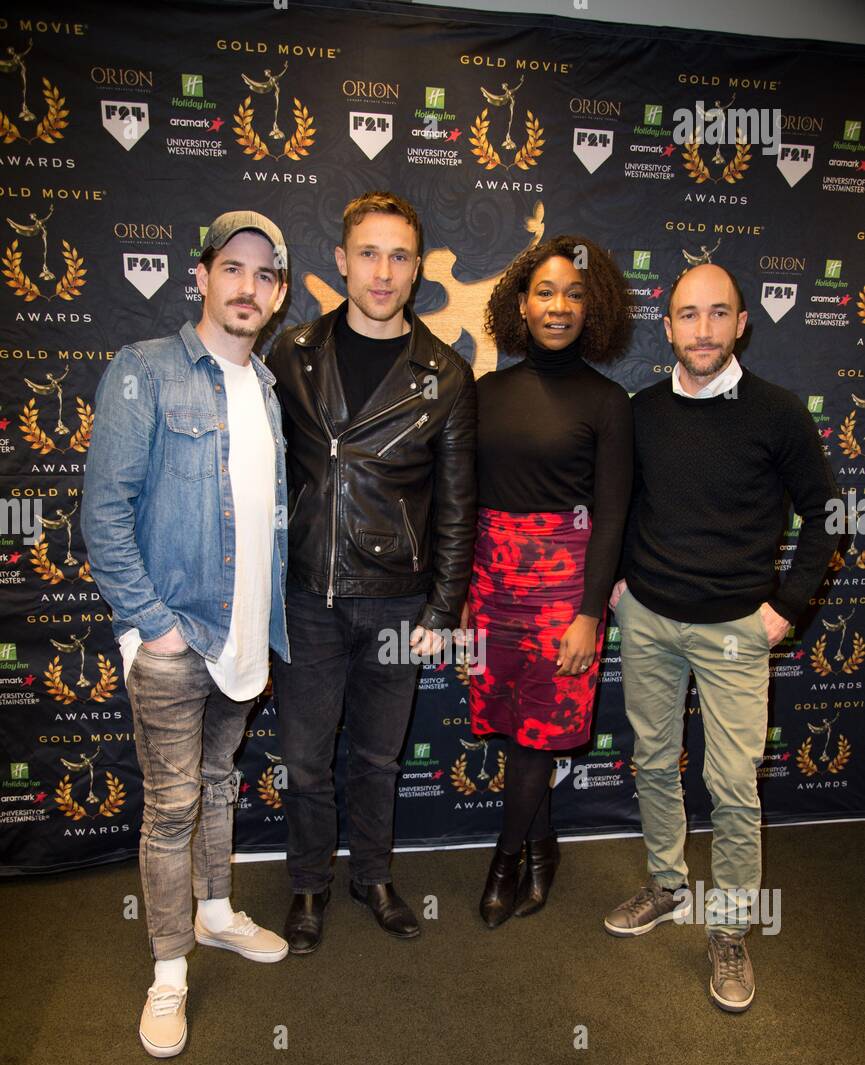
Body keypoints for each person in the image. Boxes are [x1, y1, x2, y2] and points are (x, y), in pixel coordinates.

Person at [81, 211, 291, 1058]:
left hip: (243, 641)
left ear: (276, 295)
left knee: (217, 784)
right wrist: (154, 627)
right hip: (176, 640)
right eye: (232, 268)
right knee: (170, 808)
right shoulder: (146, 370)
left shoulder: (268, 389)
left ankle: (214, 914)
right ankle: (168, 975)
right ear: (200, 277)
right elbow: (104, 512)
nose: (247, 286)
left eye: (265, 274)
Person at [605, 261, 837, 1012]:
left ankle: (730, 926)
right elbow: (614, 505)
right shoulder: (638, 412)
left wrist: (788, 608)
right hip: (647, 618)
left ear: (740, 323)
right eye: (685, 315)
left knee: (733, 786)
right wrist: (614, 582)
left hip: (738, 628)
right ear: (666, 325)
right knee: (651, 760)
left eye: (716, 314)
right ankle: (666, 886)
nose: (700, 330)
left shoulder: (775, 413)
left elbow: (826, 517)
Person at [268, 191, 476, 954]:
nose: (382, 272)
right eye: (368, 253)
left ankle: (373, 876)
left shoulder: (445, 375)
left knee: (380, 758)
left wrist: (442, 611)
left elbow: (458, 506)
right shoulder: (290, 355)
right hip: (306, 599)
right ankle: (308, 883)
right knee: (302, 759)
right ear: (340, 262)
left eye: (398, 256)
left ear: (417, 268)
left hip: (397, 606)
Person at [467, 234, 633, 927]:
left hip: (564, 593)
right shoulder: (485, 392)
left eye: (573, 293)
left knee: (539, 731)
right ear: (519, 304)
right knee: (512, 727)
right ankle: (544, 844)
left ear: (591, 308)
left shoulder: (606, 400)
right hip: (489, 586)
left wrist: (590, 613)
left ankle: (505, 859)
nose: (558, 306)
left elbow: (613, 513)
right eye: (544, 291)